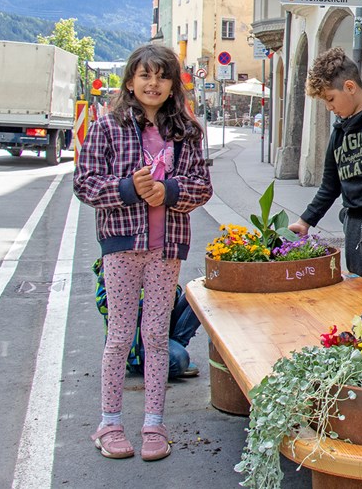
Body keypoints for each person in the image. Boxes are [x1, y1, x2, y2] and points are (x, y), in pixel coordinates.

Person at [74, 44, 213, 462]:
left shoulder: (186, 130)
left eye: (162, 76)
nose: (153, 84)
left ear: (173, 84)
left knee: (155, 335)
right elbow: (85, 183)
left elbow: (202, 187)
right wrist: (126, 189)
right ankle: (109, 422)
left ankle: (154, 423)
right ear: (131, 81)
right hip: (121, 246)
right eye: (145, 76)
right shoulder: (107, 127)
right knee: (120, 336)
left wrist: (168, 191)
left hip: (166, 248)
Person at [289, 48, 362, 283]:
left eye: (330, 99)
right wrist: (305, 221)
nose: (329, 107)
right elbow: (329, 186)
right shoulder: (338, 134)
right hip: (354, 225)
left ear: (350, 87)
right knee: (359, 293)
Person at [93, 258, 201, 380]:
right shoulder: (115, 259)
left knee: (198, 296)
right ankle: (154, 361)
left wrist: (168, 292)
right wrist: (152, 295)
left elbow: (172, 291)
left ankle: (175, 346)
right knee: (180, 360)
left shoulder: (154, 255)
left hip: (159, 328)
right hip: (136, 346)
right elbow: (103, 303)